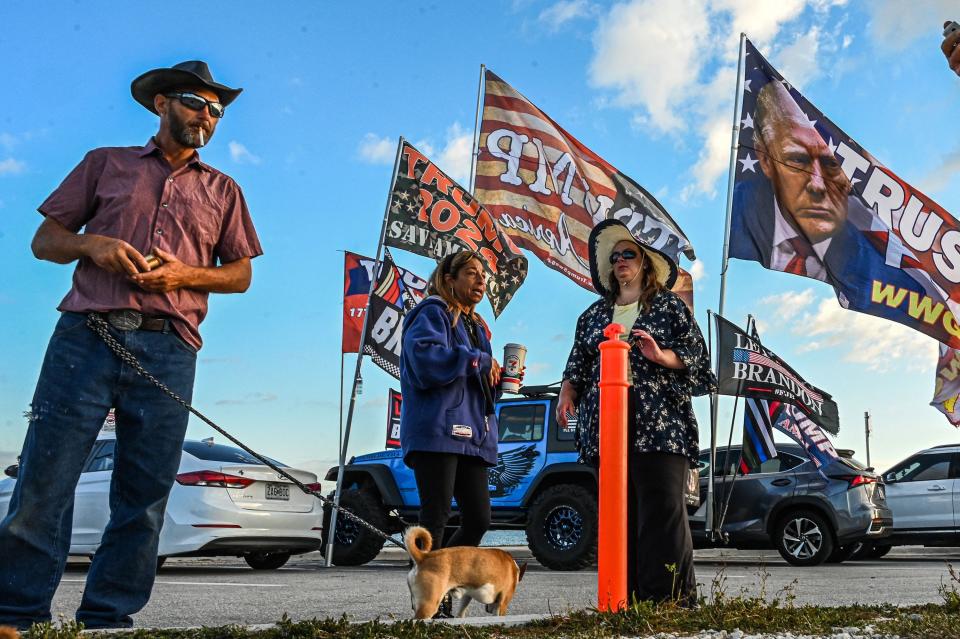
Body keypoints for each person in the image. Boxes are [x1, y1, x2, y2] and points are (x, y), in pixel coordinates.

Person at [0, 61, 262, 630]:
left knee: (143, 498)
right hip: (85, 338)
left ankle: (108, 620)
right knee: (44, 481)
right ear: (161, 103)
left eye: (217, 110)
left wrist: (182, 276)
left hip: (169, 347)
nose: (208, 116)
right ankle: (16, 616)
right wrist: (92, 245)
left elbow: (239, 274)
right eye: (197, 102)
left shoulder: (224, 190)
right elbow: (45, 241)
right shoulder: (105, 163)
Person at [556, 219, 714, 605]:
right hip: (605, 429)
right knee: (617, 514)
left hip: (659, 426)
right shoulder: (592, 316)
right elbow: (577, 365)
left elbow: (699, 363)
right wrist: (566, 393)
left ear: (645, 263)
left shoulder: (670, 308)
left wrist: (660, 356)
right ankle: (623, 599)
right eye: (615, 257)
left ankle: (670, 601)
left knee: (661, 511)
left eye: (629, 254)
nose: (621, 260)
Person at [730, 80, 928, 315]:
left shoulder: (874, 249)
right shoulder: (744, 213)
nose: (817, 185)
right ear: (764, 160)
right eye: (797, 160)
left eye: (830, 165)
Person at [399, 251, 501, 554]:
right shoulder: (432, 312)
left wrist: (498, 375)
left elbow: (475, 374)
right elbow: (424, 361)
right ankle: (427, 598)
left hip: (472, 436)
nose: (481, 278)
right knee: (435, 517)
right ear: (449, 279)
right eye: (471, 272)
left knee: (479, 519)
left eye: (483, 274)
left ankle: (443, 582)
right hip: (437, 431)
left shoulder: (478, 326)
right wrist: (478, 360)